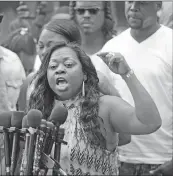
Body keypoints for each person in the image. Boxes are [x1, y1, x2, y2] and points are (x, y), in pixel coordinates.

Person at [28, 42, 162, 175]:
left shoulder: (103, 107)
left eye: (68, 65)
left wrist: (127, 74)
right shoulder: (40, 110)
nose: (60, 69)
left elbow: (149, 123)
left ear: (85, 74)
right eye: (53, 66)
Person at [100, 1, 173, 175]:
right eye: (129, 1)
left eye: (141, 2)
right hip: (119, 160)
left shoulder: (170, 42)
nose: (133, 7)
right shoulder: (112, 47)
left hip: (163, 161)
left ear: (158, 5)